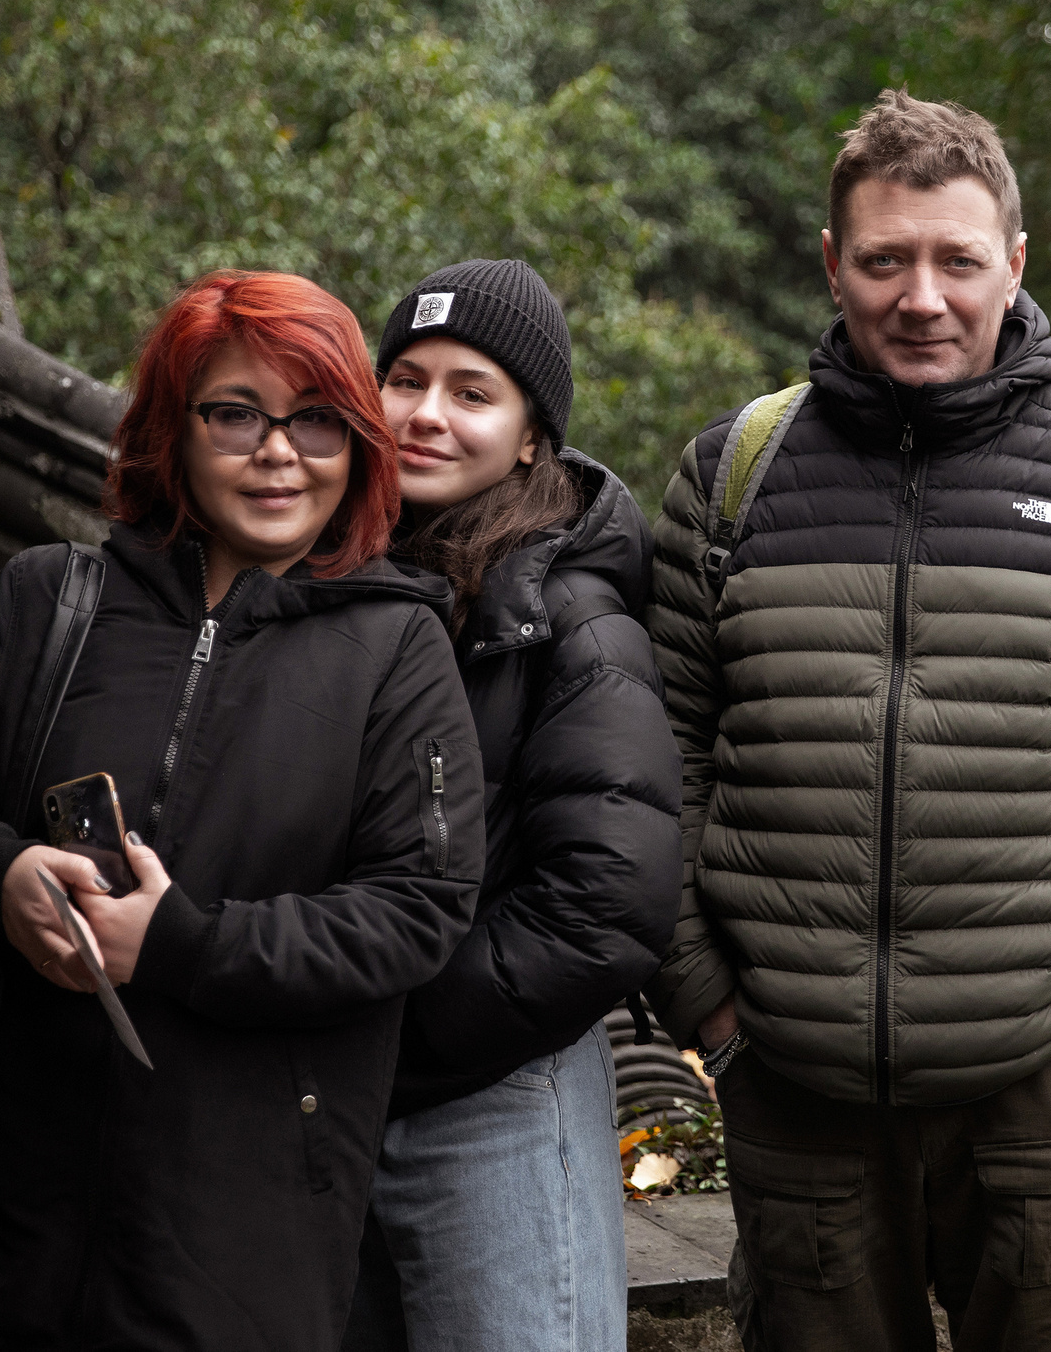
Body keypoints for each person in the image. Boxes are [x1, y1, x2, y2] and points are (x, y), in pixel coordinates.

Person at [644, 92, 1051, 1352]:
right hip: (793, 1088)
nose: (920, 296)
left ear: (1012, 264)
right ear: (833, 265)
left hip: (1042, 1090)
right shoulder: (732, 476)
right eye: (884, 260)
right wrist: (710, 1003)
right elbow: (654, 761)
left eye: (956, 260)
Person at [0, 270, 484, 1352]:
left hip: (248, 1228)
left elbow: (418, 907)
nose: (278, 452)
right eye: (236, 413)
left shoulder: (397, 649)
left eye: (318, 420)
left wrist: (181, 942)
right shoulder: (48, 601)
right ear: (171, 429)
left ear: (359, 444)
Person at [344, 259, 681, 1352]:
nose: (426, 415)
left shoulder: (572, 620)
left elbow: (604, 907)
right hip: (323, 1093)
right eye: (406, 379)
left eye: (472, 392)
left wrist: (383, 1036)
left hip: (496, 1089)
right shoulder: (312, 576)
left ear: (533, 435)